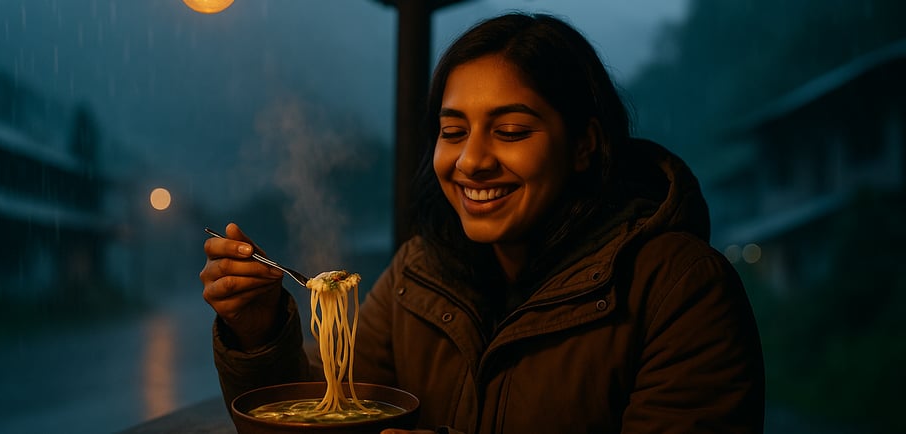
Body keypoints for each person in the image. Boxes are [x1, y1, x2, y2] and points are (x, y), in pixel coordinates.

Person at [200, 12, 765, 434]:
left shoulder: (680, 289)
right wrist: (259, 333)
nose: (471, 161)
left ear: (586, 145)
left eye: (511, 130)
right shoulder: (415, 279)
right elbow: (327, 417)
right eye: (452, 131)